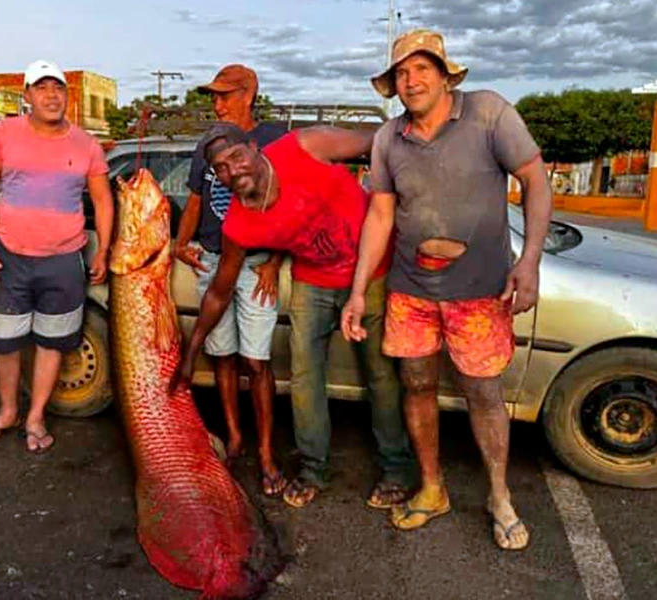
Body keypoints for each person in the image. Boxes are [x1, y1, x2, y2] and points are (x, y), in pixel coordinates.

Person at [341, 29, 553, 550]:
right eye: (401, 74)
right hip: (411, 291)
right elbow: (381, 214)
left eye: (421, 70)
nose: (411, 81)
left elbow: (535, 179)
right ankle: (432, 487)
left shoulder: (488, 114)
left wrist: (529, 261)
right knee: (416, 386)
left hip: (479, 293)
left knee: (483, 393)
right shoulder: (390, 138)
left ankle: (499, 497)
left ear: (444, 74)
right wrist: (356, 289)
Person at [171, 123, 414, 510]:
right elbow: (219, 292)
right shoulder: (239, 222)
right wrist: (190, 355)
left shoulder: (304, 147)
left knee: (381, 375)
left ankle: (397, 470)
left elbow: (381, 140)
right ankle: (314, 469)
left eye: (237, 157)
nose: (233, 171)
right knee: (304, 378)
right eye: (221, 168)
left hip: (372, 272)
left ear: (254, 147)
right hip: (314, 281)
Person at [0, 60, 114, 453]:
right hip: (9, 257)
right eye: (42, 87)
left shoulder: (86, 143)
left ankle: (35, 417)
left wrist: (107, 249)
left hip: (64, 260)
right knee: (6, 342)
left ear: (67, 95)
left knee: (52, 343)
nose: (51, 95)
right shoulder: (1, 133)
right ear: (27, 95)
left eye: (59, 88)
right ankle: (8, 411)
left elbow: (102, 200)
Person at [173, 64, 287, 496]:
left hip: (255, 264)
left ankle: (265, 452)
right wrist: (180, 245)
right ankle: (235, 436)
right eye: (213, 97)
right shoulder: (207, 145)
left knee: (256, 362)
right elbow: (196, 203)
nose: (217, 104)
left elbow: (289, 207)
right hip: (213, 260)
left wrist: (275, 262)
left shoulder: (274, 141)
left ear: (249, 93)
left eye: (224, 95)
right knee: (222, 356)